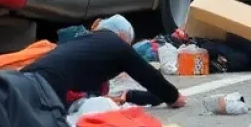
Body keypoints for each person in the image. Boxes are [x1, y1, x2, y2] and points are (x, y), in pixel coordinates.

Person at [24, 14, 186, 108]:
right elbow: (149, 76)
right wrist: (173, 97)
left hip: (24, 81)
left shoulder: (82, 42)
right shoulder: (118, 46)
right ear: (122, 36)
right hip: (46, 88)